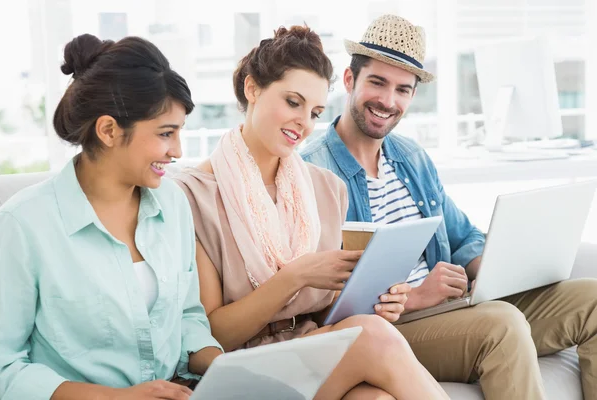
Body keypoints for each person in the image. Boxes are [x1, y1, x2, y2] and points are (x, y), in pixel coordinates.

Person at [301, 14, 597, 400]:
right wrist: (419, 293)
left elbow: (462, 235)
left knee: (591, 299)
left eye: (403, 90)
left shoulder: (411, 157)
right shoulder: (314, 171)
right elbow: (327, 304)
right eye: (377, 82)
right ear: (349, 80)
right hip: (391, 329)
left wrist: (494, 271)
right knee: (502, 324)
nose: (388, 101)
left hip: (451, 308)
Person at [173, 25, 449, 400]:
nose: (304, 123)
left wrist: (381, 299)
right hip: (238, 367)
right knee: (372, 336)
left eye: (315, 111)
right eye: (292, 102)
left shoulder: (325, 188)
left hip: (310, 349)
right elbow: (211, 335)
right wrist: (295, 276)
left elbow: (325, 315)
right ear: (252, 89)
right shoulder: (193, 195)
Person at [0, 34, 222, 400]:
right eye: (166, 133)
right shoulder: (22, 225)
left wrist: (226, 370)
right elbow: (3, 369)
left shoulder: (173, 204)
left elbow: (187, 317)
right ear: (108, 130)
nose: (178, 151)